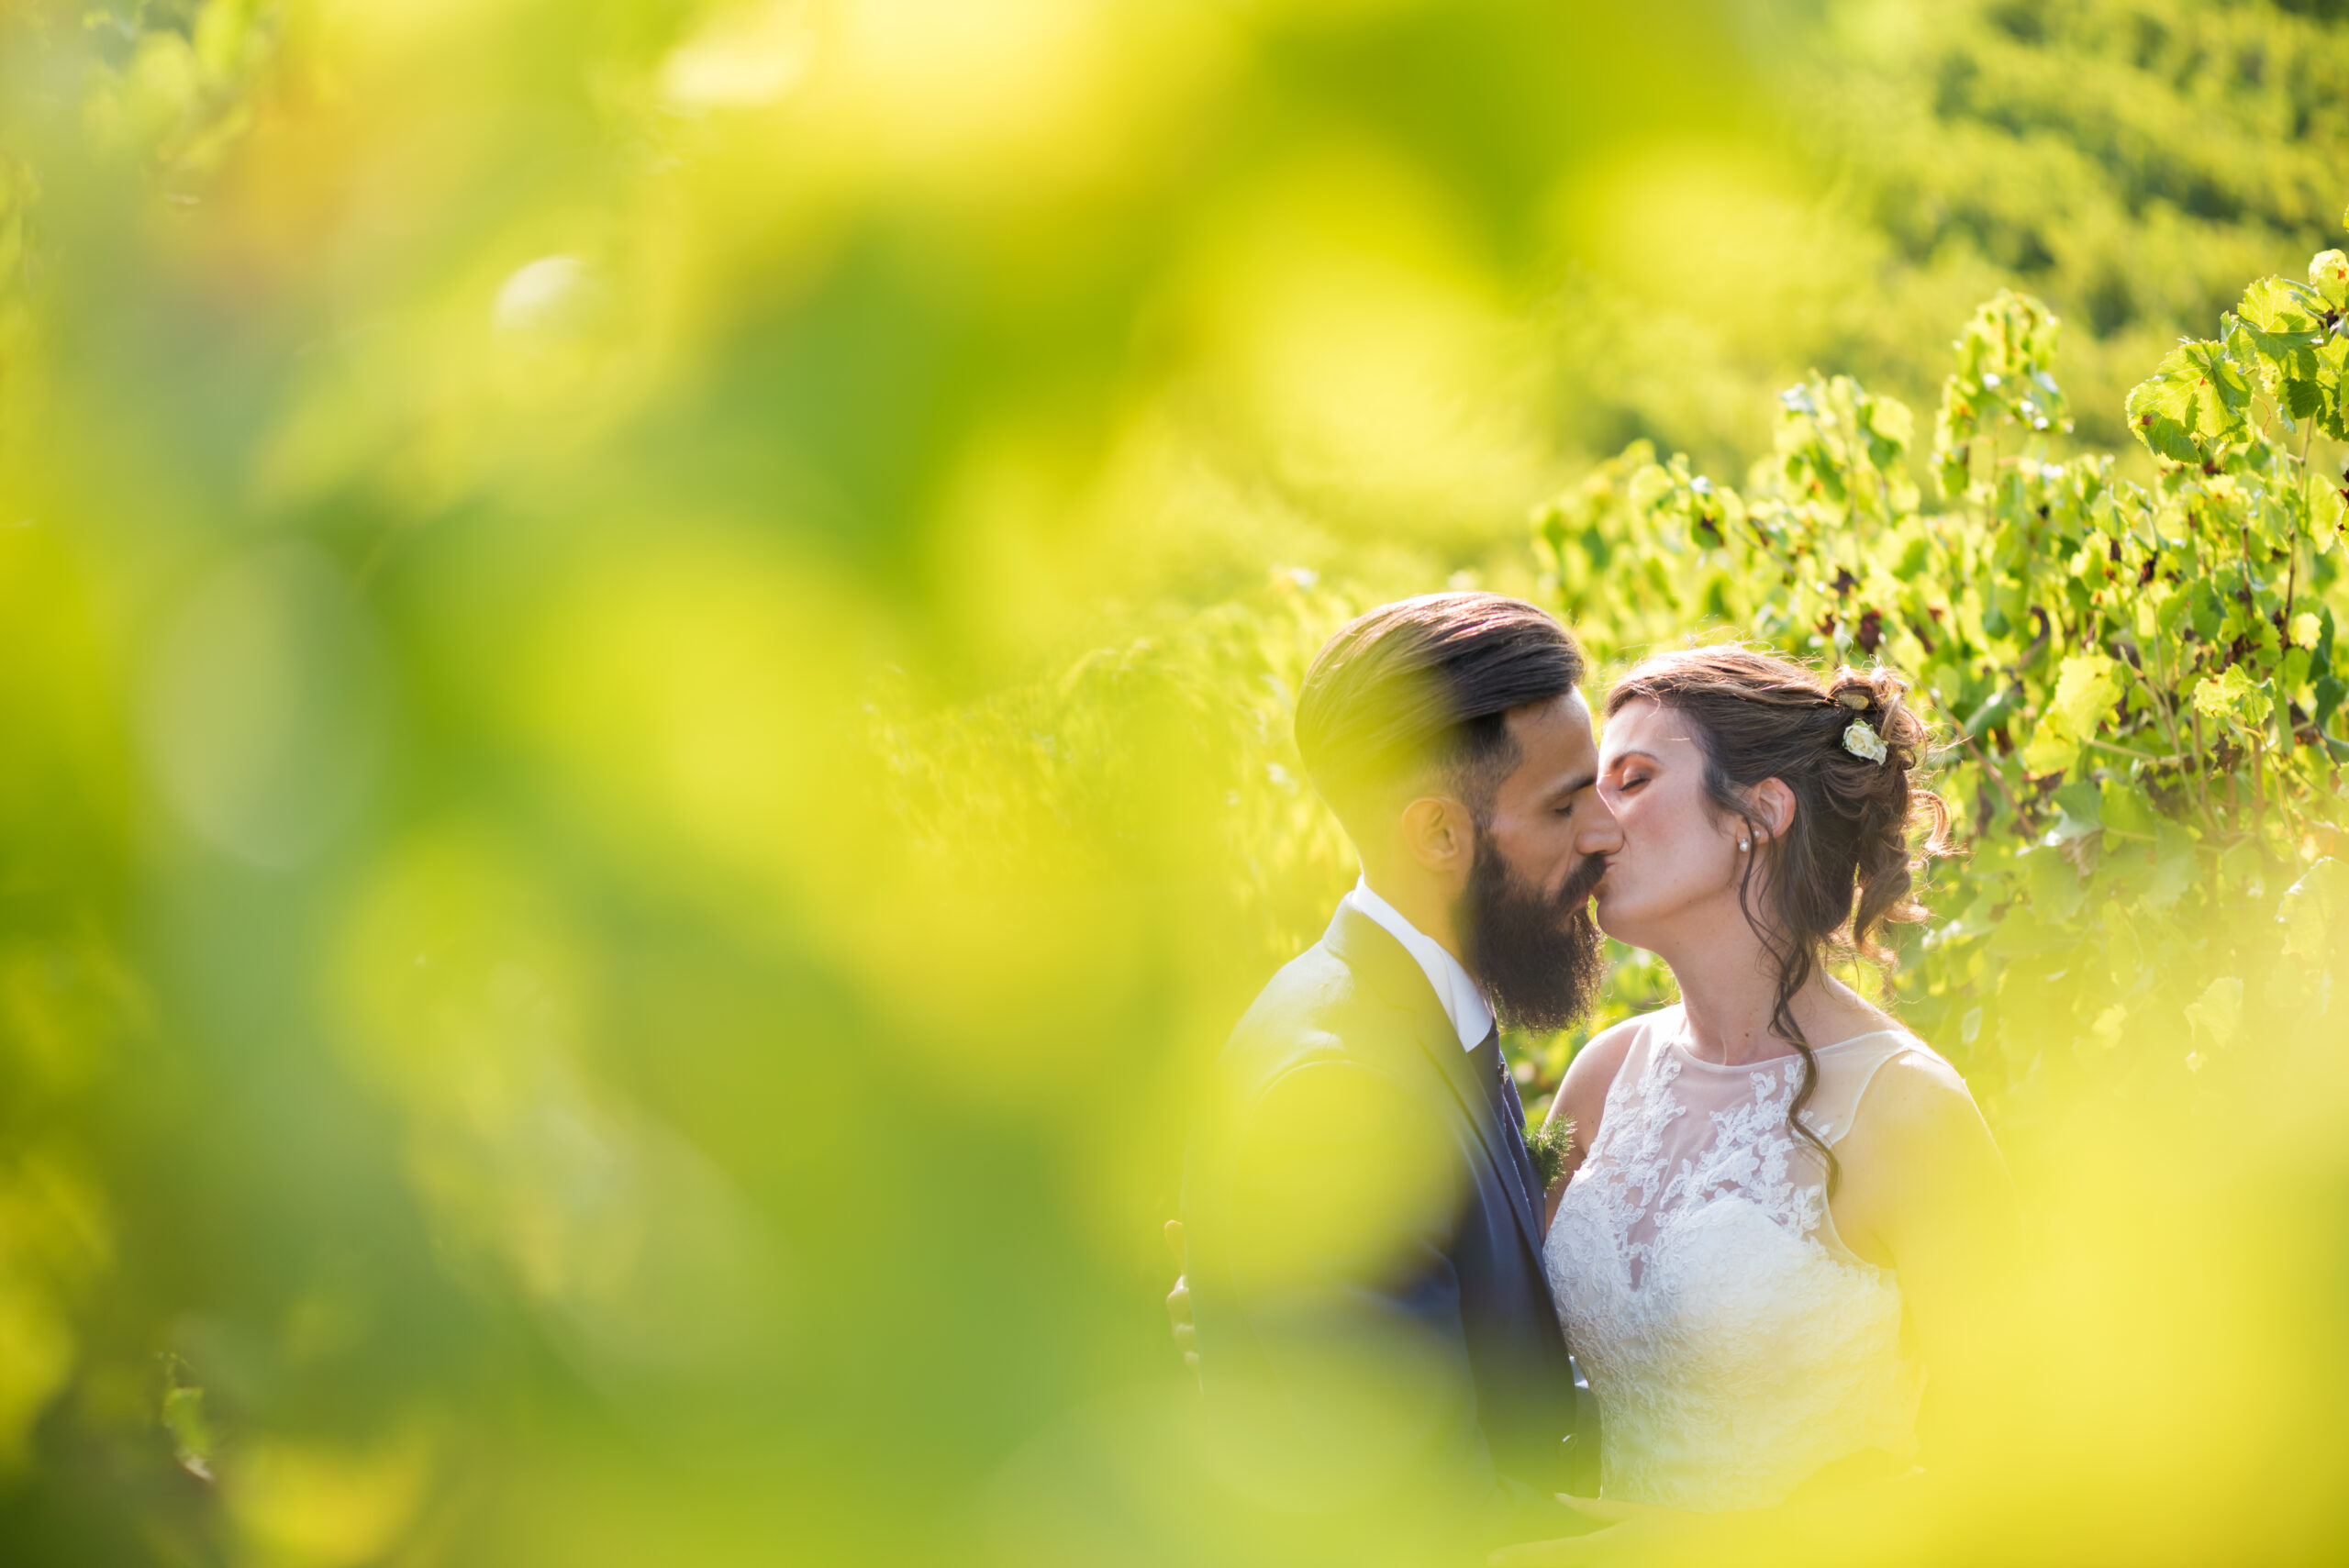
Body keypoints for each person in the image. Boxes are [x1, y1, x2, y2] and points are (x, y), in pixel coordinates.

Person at [1497, 646, 2017, 1562]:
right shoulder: (1601, 1075)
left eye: (1633, 777)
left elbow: (2021, 1463)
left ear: (1760, 812)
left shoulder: (1905, 1111)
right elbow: (1486, 1323)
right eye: (1586, 788)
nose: (1590, 820)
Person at [1172, 593, 1617, 1556]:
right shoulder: (1340, 1091)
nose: (1602, 831)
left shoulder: (1427, 1014)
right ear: (1437, 834)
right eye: (1563, 802)